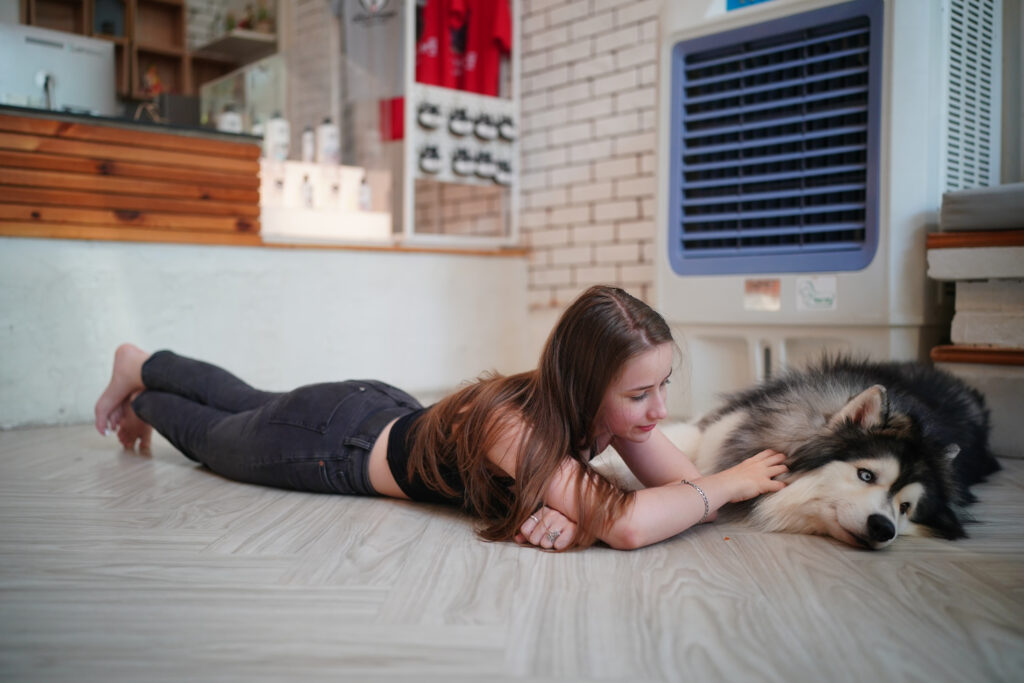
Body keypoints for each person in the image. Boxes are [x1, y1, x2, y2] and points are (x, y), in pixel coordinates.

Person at [94, 285, 787, 551]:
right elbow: (636, 521)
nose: (660, 411)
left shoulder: (600, 413)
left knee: (247, 401)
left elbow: (679, 488)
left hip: (376, 410)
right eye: (640, 396)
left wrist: (577, 502)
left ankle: (144, 363)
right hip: (329, 443)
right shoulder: (513, 426)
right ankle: (142, 381)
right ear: (587, 383)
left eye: (664, 386)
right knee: (220, 440)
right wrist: (731, 483)